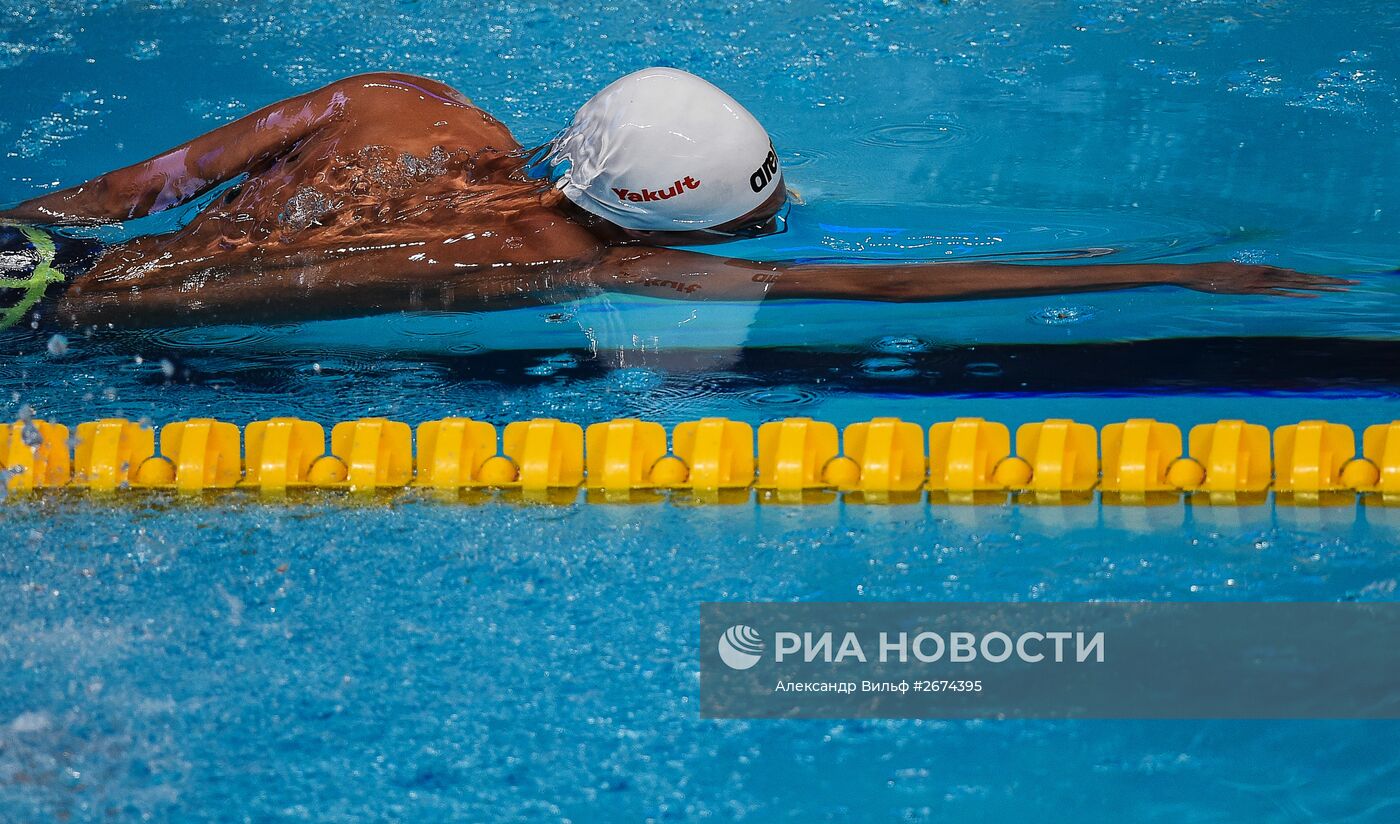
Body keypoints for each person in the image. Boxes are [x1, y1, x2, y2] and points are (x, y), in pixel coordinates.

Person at [0, 68, 1351, 331]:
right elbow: (883, 285)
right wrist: (1169, 273)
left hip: (41, 248)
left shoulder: (397, 102)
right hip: (85, 319)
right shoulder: (591, 260)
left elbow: (127, 189)